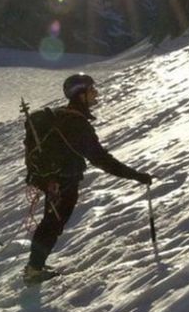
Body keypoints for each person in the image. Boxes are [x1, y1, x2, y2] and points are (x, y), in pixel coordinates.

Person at [24, 73, 152, 284]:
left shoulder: (62, 116)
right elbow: (100, 158)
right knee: (53, 224)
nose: (96, 94)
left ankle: (35, 265)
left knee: (51, 222)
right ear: (80, 95)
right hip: (64, 181)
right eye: (92, 90)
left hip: (52, 179)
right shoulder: (75, 123)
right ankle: (34, 270)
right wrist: (136, 176)